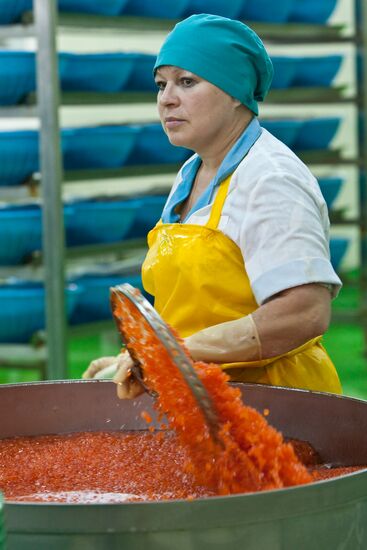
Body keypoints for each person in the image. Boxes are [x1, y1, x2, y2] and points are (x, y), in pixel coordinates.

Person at [83, 13, 342, 398]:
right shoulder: (193, 170)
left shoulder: (271, 180)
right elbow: (196, 308)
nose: (166, 98)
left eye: (187, 82)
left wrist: (173, 353)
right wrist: (138, 356)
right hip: (206, 396)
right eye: (161, 84)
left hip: (277, 403)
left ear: (235, 90)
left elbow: (303, 312)